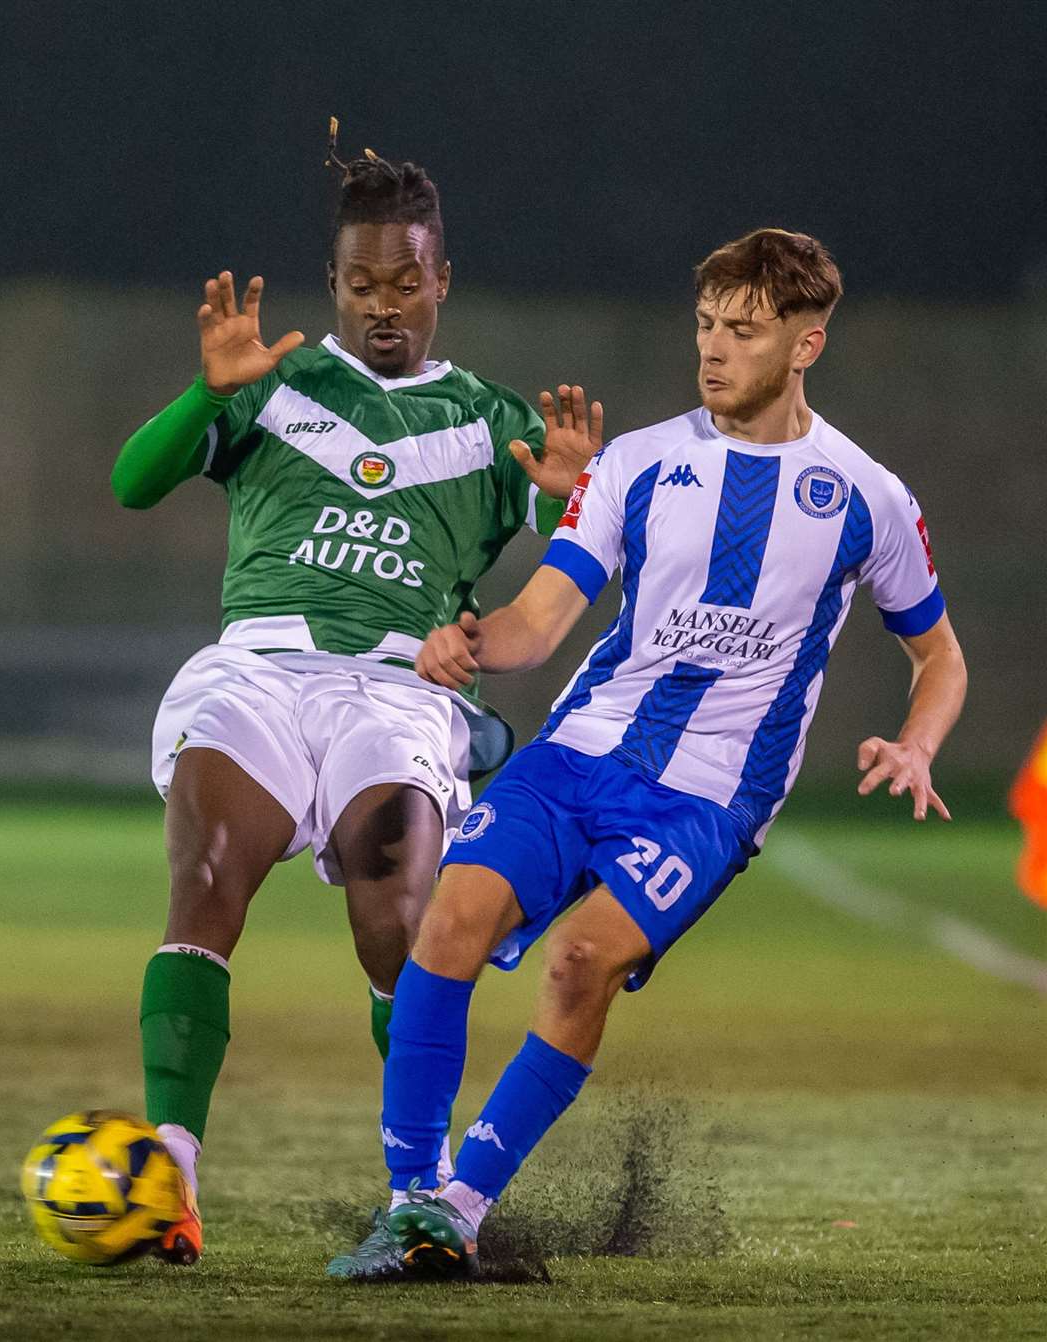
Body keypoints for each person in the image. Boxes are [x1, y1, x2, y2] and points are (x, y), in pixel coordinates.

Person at [327, 228, 968, 1280]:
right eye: (707, 325)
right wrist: (471, 639)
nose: (715, 350)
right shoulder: (638, 462)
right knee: (449, 918)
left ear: (806, 344)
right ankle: (409, 1204)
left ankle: (466, 1204)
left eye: (745, 331)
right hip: (579, 753)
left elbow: (939, 655)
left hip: (709, 800)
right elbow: (540, 622)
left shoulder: (867, 495)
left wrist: (919, 740)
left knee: (581, 963)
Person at [110, 147, 603, 1264]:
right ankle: (170, 1175)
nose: (386, 306)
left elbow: (585, 555)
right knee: (202, 885)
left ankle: (419, 1193)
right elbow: (133, 482)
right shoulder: (272, 384)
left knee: (397, 925)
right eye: (362, 285)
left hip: (398, 689)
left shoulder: (491, 419)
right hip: (261, 672)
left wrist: (577, 502)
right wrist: (206, 392)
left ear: (443, 280)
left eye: (407, 282)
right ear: (334, 286)